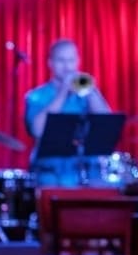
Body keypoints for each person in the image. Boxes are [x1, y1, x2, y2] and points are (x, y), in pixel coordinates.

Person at [23, 39, 113, 187]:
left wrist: (93, 93)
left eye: (71, 60)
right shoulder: (36, 96)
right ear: (50, 63)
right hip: (51, 173)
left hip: (87, 171)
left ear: (78, 61)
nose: (67, 67)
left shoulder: (84, 96)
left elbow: (107, 125)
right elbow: (38, 130)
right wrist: (63, 91)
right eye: (61, 61)